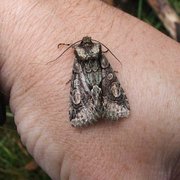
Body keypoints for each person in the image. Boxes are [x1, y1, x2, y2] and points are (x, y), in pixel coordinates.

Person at [0, 0, 179, 179]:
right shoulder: (101, 57)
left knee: (79, 86)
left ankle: (85, 113)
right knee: (114, 90)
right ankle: (113, 108)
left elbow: (75, 73)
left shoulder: (78, 59)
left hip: (81, 85)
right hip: (105, 76)